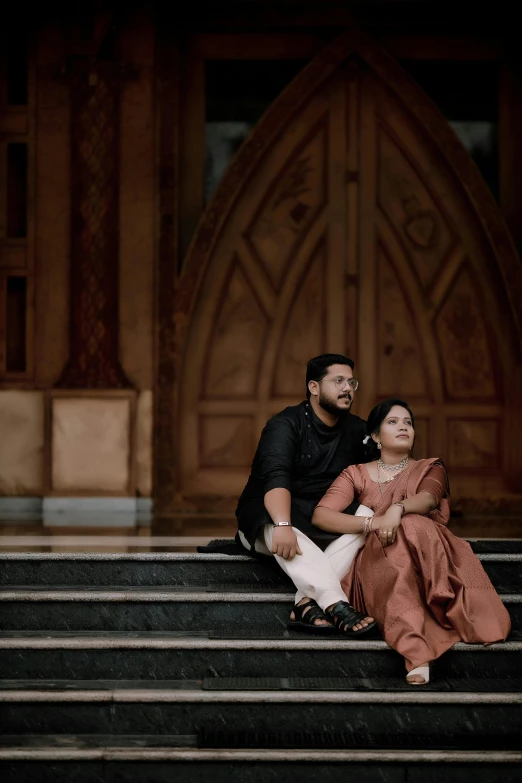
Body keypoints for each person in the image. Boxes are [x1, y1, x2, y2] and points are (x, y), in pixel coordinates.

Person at [313, 398, 511, 683]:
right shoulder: (355, 473)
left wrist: (398, 508)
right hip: (377, 559)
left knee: (413, 525)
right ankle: (416, 649)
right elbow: (322, 515)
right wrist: (373, 522)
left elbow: (429, 498)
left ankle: (420, 647)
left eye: (408, 422)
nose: (403, 427)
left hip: (427, 553)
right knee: (397, 548)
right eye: (393, 422)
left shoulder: (431, 467)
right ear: (377, 436)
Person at [236, 354, 377, 635]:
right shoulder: (285, 425)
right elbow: (276, 479)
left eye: (351, 382)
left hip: (322, 520)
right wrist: (283, 525)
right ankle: (335, 603)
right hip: (272, 520)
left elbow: (378, 480)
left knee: (368, 516)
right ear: (314, 387)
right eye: (338, 381)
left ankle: (305, 602)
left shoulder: (358, 430)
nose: (347, 388)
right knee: (271, 520)